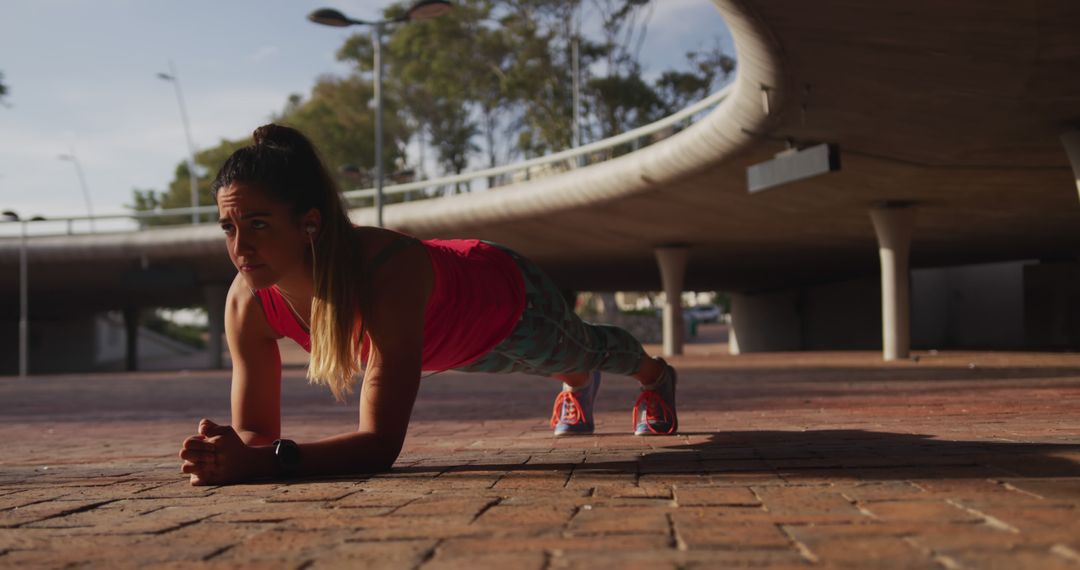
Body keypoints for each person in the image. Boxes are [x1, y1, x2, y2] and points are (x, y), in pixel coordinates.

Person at [179, 124, 679, 486]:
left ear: (309, 223)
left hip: (506, 305)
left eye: (258, 224)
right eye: (229, 227)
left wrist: (264, 462)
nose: (240, 248)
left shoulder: (384, 272)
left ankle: (654, 376)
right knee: (538, 367)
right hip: (448, 349)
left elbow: (379, 446)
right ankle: (575, 384)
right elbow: (257, 433)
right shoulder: (247, 302)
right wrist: (227, 455)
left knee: (581, 352)